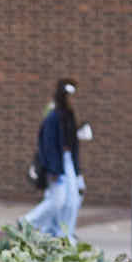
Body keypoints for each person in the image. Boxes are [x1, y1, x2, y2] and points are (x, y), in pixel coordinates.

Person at [20, 79, 89, 239]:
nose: (73, 100)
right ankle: (29, 223)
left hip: (68, 161)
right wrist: (53, 168)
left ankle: (64, 232)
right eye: (70, 96)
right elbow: (49, 144)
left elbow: (71, 140)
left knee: (72, 200)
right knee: (57, 200)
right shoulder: (53, 117)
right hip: (57, 164)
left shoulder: (69, 116)